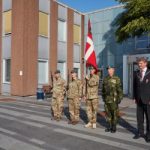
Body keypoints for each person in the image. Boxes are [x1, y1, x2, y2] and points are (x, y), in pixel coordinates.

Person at [133, 57, 150, 143]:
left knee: (149, 118)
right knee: (139, 118)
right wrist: (134, 97)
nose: (139, 65)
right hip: (139, 99)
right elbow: (134, 86)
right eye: (139, 63)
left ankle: (148, 134)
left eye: (141, 63)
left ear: (145, 63)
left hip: (148, 100)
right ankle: (140, 132)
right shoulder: (136, 73)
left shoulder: (149, 73)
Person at [102, 65, 123, 133]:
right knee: (108, 114)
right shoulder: (105, 79)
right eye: (108, 69)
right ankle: (109, 126)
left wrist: (119, 98)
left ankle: (114, 127)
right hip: (107, 99)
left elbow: (120, 89)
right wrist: (103, 98)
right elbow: (103, 90)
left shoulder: (117, 79)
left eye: (110, 69)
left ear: (113, 70)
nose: (109, 70)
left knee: (114, 114)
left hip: (114, 100)